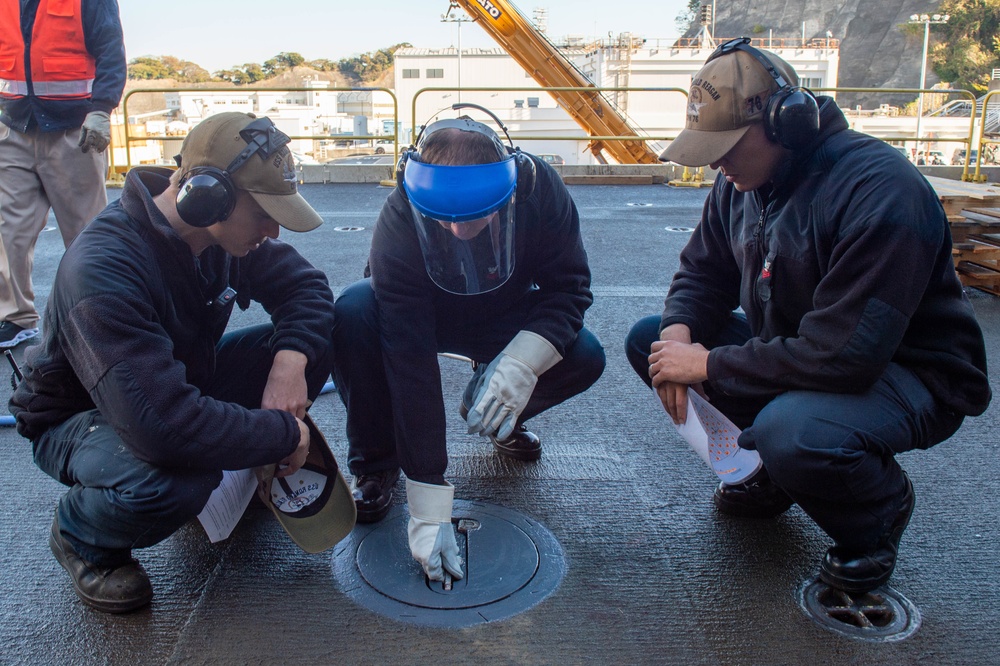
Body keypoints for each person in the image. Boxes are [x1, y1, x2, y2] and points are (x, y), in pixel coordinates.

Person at [626, 38, 991, 595]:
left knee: (793, 432)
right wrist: (678, 332)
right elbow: (703, 273)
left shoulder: (879, 191)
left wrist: (708, 366)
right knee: (651, 342)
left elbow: (845, 356)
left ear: (785, 123)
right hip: (806, 350)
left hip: (907, 371)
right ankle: (771, 480)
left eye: (725, 147)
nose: (716, 163)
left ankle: (876, 514)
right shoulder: (741, 184)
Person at [9, 112, 337, 613]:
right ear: (211, 197)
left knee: (312, 340)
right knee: (177, 481)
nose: (273, 231)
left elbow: (307, 287)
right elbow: (163, 426)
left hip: (173, 387)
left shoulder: (220, 236)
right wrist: (284, 434)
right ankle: (81, 534)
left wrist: (290, 364)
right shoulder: (103, 271)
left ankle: (241, 473)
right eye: (264, 213)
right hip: (80, 420)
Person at [332, 109, 605, 581]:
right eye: (445, 219)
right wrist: (428, 497)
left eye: (477, 214)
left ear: (510, 183)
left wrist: (522, 362)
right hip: (421, 312)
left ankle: (501, 409)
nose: (459, 231)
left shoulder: (540, 190)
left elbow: (570, 290)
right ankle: (376, 466)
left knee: (583, 353)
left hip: (504, 313)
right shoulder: (402, 207)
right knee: (354, 309)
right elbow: (409, 358)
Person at [0, 0, 127, 349]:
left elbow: (111, 53)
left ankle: (98, 313)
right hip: (14, 126)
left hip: (75, 131)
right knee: (9, 228)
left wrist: (102, 110)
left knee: (87, 232)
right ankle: (16, 318)